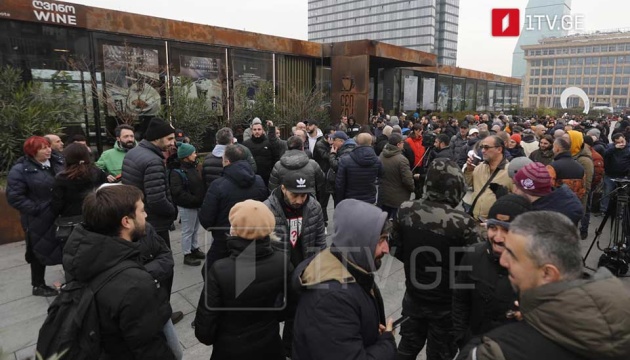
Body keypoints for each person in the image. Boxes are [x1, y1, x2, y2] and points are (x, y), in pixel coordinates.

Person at [458, 211, 630, 360]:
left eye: (513, 255)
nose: (503, 260)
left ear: (548, 273)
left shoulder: (498, 351)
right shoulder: (619, 315)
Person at [62, 185, 176, 359]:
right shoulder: (135, 286)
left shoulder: (81, 251)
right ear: (126, 222)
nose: (146, 215)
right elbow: (150, 348)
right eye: (142, 210)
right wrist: (138, 277)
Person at [392, 158, 478, 360]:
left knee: (406, 348)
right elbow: (471, 266)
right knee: (440, 354)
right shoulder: (463, 223)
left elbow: (395, 248)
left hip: (414, 295)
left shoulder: (406, 209)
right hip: (446, 306)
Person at [291, 199, 396, 360]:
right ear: (359, 241)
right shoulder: (332, 299)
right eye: (380, 240)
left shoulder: (351, 267)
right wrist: (386, 344)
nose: (387, 249)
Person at [194, 200, 287, 360]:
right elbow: (288, 306)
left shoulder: (220, 270)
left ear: (234, 229)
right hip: (270, 345)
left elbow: (204, 331)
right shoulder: (282, 261)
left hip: (230, 350)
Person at [452, 195, 532, 350]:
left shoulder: (535, 270)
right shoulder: (472, 255)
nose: (498, 237)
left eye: (507, 230)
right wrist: (461, 338)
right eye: (493, 227)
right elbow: (460, 300)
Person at [264, 170, 327, 355]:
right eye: (295, 194)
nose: (299, 200)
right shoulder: (267, 209)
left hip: (303, 272)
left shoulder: (313, 207)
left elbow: (320, 242)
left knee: (298, 314)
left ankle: (289, 348)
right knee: (272, 315)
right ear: (283, 188)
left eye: (303, 195)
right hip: (277, 273)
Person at [7, 136, 65, 297]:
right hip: (38, 218)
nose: (48, 150)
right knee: (39, 250)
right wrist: (36, 209)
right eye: (43, 148)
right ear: (32, 151)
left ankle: (71, 277)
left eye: (48, 146)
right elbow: (15, 197)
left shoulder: (58, 162)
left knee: (66, 244)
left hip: (60, 213)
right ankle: (38, 284)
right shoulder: (21, 169)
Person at [198, 145, 269, 271]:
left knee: (210, 273)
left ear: (227, 161)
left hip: (224, 241)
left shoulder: (217, 185)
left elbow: (206, 220)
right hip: (253, 238)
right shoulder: (259, 180)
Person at [122, 117, 178, 248]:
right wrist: (172, 211)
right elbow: (157, 199)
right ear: (156, 138)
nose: (173, 143)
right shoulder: (153, 161)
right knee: (161, 261)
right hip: (154, 223)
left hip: (139, 218)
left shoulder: (134, 152)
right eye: (169, 139)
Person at [169, 143, 206, 266]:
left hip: (197, 204)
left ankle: (194, 248)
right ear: (186, 156)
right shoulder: (177, 172)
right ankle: (187, 253)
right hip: (187, 206)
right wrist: (194, 199)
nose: (195, 154)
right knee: (188, 230)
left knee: (195, 229)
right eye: (193, 153)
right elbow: (177, 192)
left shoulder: (194, 167)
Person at [512, 162, 583, 225]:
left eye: (518, 187)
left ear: (528, 190)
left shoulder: (544, 221)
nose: (514, 190)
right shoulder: (558, 204)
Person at [51, 143, 108, 219]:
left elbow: (57, 203)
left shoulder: (62, 177)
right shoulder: (98, 172)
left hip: (71, 217)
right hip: (96, 214)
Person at [464, 135, 513, 221]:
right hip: (474, 220)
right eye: (482, 147)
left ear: (499, 149)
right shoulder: (480, 167)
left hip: (495, 225)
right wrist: (469, 170)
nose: (483, 151)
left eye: (486, 147)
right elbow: (469, 184)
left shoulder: (510, 171)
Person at [268, 136, 326, 202]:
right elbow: (321, 185)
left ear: (287, 148)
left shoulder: (278, 165)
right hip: (308, 203)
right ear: (302, 148)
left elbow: (273, 189)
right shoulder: (313, 164)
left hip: (286, 203)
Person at [335, 133, 383, 205]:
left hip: (350, 200)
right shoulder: (377, 160)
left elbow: (340, 184)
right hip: (369, 199)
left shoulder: (345, 160)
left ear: (356, 142)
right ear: (371, 142)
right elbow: (382, 178)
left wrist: (339, 201)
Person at [378, 133, 414, 220]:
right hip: (398, 199)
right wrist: (413, 188)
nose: (403, 144)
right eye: (402, 142)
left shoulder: (381, 155)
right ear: (398, 144)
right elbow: (407, 180)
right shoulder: (402, 160)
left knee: (383, 222)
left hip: (383, 195)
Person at [547, 137, 586, 203]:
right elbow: (582, 190)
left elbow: (548, 187)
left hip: (556, 204)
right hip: (573, 204)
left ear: (557, 149)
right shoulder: (580, 167)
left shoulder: (552, 167)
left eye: (553, 147)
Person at [243, 119, 281, 186]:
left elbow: (276, 157)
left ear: (263, 131)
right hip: (252, 177)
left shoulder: (269, 143)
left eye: (259, 129)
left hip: (267, 177)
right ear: (251, 131)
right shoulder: (246, 144)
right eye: (254, 130)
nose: (257, 131)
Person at [600, 133, 630, 215]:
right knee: (607, 192)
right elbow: (604, 155)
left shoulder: (628, 148)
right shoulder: (610, 147)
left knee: (622, 195)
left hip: (623, 176)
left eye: (622, 141)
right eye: (618, 142)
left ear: (624, 138)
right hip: (610, 174)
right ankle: (604, 210)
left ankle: (620, 212)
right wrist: (614, 148)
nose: (621, 143)